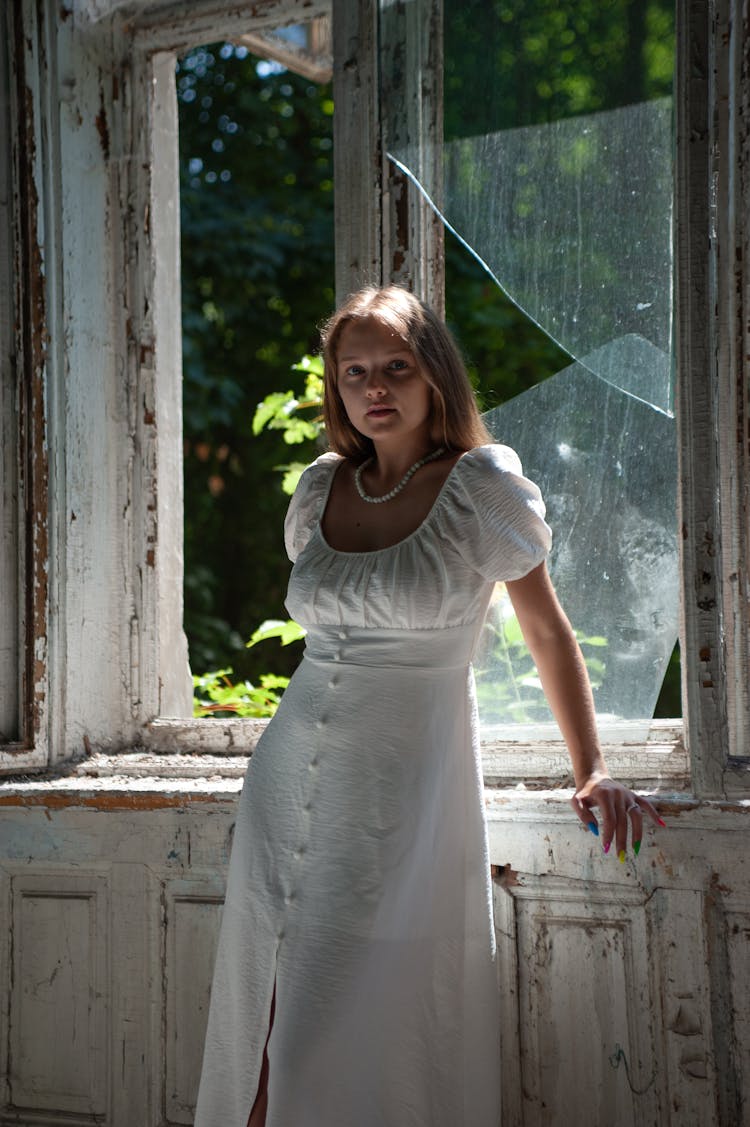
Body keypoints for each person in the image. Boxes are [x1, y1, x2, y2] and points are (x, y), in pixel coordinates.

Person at [194, 284, 662, 1127]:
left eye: (396, 368)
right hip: (287, 777)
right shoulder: (320, 488)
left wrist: (593, 768)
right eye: (355, 374)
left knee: (352, 1026)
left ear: (435, 374)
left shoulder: (481, 487)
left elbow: (549, 635)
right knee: (261, 1022)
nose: (375, 389)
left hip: (401, 795)